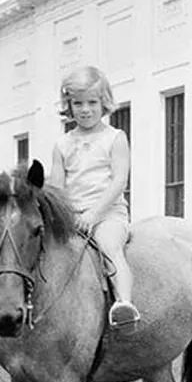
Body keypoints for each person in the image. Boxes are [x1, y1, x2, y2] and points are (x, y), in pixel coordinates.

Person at [49, 65, 140, 329]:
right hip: (72, 218)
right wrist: (64, 217)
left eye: (92, 102)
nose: (85, 109)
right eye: (78, 103)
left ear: (104, 102)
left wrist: (93, 215)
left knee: (110, 248)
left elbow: (119, 181)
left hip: (107, 214)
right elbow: (57, 188)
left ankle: (124, 304)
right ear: (69, 105)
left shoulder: (114, 138)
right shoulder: (63, 144)